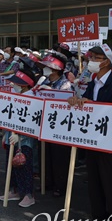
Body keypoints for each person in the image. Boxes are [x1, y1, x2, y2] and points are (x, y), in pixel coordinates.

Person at [67, 45, 112, 221]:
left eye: (96, 57)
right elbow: (86, 104)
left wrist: (93, 106)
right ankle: (99, 220)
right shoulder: (94, 83)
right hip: (93, 141)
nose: (91, 60)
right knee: (94, 183)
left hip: (110, 143)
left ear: (105, 61)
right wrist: (77, 101)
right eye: (91, 56)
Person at [0, 69, 38, 207]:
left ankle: (29, 195)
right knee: (11, 164)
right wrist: (7, 133)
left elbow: (32, 122)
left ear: (24, 85)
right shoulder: (16, 95)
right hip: (12, 136)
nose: (13, 86)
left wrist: (20, 135)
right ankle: (14, 191)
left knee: (24, 166)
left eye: (16, 83)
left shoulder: (32, 98)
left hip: (25, 140)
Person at [36, 51, 73, 197]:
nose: (45, 69)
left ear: (56, 69)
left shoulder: (65, 84)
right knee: (45, 154)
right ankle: (47, 181)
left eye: (48, 67)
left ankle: (60, 186)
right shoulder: (43, 81)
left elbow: (65, 101)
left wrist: (50, 92)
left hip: (60, 126)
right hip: (44, 123)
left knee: (59, 157)